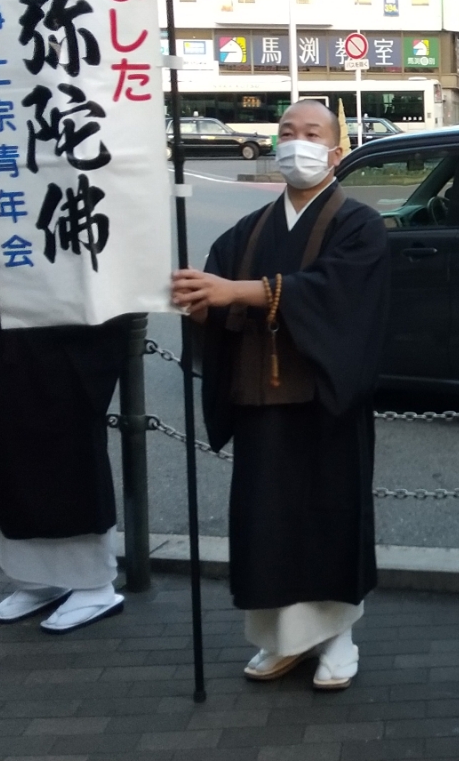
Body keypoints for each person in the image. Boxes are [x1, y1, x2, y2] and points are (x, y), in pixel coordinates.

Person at [171, 100, 391, 690]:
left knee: (328, 520)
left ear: (336, 151)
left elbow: (338, 295)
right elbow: (217, 298)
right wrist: (199, 303)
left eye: (312, 133)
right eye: (288, 132)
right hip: (261, 405)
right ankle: (279, 639)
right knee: (266, 521)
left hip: (325, 402)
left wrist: (240, 291)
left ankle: (338, 638)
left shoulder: (359, 225)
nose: (299, 143)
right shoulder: (248, 231)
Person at [0, 178, 130, 634]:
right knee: (12, 462)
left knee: (68, 464)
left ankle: (93, 584)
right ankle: (35, 578)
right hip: (7, 347)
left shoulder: (86, 172)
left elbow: (115, 254)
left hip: (70, 347)